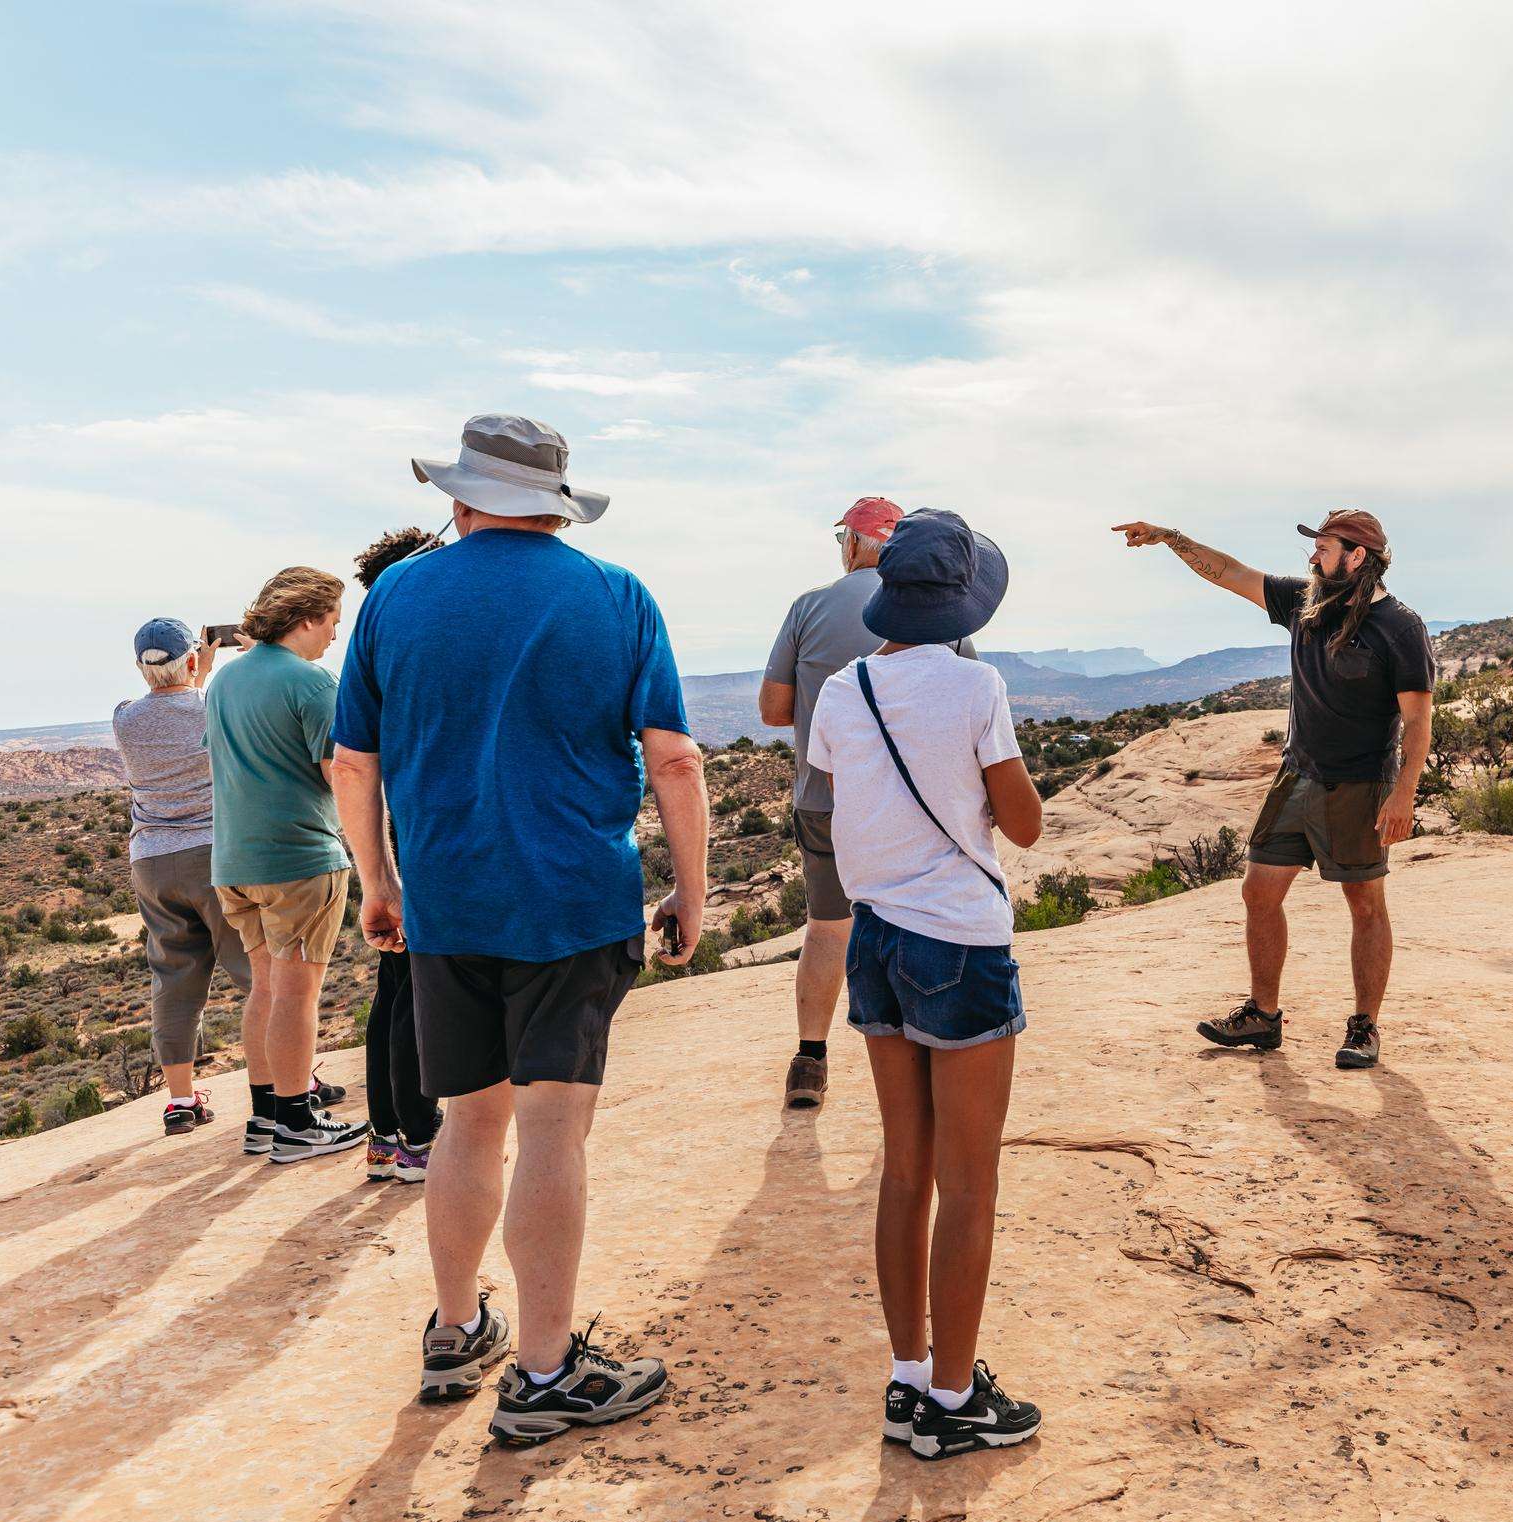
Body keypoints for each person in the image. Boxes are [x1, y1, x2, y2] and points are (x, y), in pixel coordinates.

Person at [331, 414, 707, 1448]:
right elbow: (674, 758)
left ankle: (455, 1331)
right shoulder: (616, 595)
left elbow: (353, 762)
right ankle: (545, 1373)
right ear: (555, 506)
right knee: (550, 1126)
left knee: (468, 1119)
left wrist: (379, 882)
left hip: (448, 900)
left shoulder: (396, 594)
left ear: (462, 497)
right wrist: (691, 886)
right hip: (574, 898)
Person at [805, 509, 1046, 1461]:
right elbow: (1023, 824)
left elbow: (842, 798)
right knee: (969, 1181)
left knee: (904, 1170)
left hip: (873, 938)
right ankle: (954, 1397)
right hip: (960, 942)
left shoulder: (844, 688)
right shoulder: (977, 684)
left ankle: (909, 1380)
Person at [1112, 510, 1435, 1069]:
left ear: (1357, 556)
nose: (1313, 557)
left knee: (1364, 903)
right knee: (1259, 891)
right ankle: (1263, 1016)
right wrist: (1171, 538)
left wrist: (1403, 792)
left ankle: (1364, 1026)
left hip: (1359, 785)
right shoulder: (1304, 601)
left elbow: (1418, 720)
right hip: (1296, 775)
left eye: (1324, 548)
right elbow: (1230, 573)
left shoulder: (1399, 626)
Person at [759, 496, 978, 1110]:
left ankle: (810, 1061)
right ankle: (924, 1054)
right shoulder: (946, 614)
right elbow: (967, 703)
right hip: (917, 802)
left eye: (842, 540)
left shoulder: (808, 607)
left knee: (827, 927)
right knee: (918, 922)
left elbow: (773, 710)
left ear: (854, 544)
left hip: (825, 797)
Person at [207, 567, 365, 1161]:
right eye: (332, 621)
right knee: (298, 994)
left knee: (266, 989)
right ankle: (298, 1121)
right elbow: (341, 775)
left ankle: (266, 1115)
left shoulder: (225, 679)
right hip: (299, 859)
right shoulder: (313, 682)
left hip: (234, 860)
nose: (335, 634)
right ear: (306, 618)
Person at [111, 618, 256, 1136]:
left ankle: (179, 1101)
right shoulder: (212, 703)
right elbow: (201, 712)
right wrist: (215, 671)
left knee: (173, 977)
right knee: (255, 971)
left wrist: (194, 674)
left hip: (151, 862)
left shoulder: (124, 718)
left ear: (139, 667)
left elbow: (167, 706)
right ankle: (291, 1084)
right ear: (193, 659)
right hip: (215, 854)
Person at [349, 528, 448, 1182]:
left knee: (393, 987)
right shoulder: (421, 640)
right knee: (415, 986)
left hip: (397, 827)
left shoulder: (376, 641)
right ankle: (418, 1135)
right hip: (427, 830)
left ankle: (385, 1135)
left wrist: (375, 872)